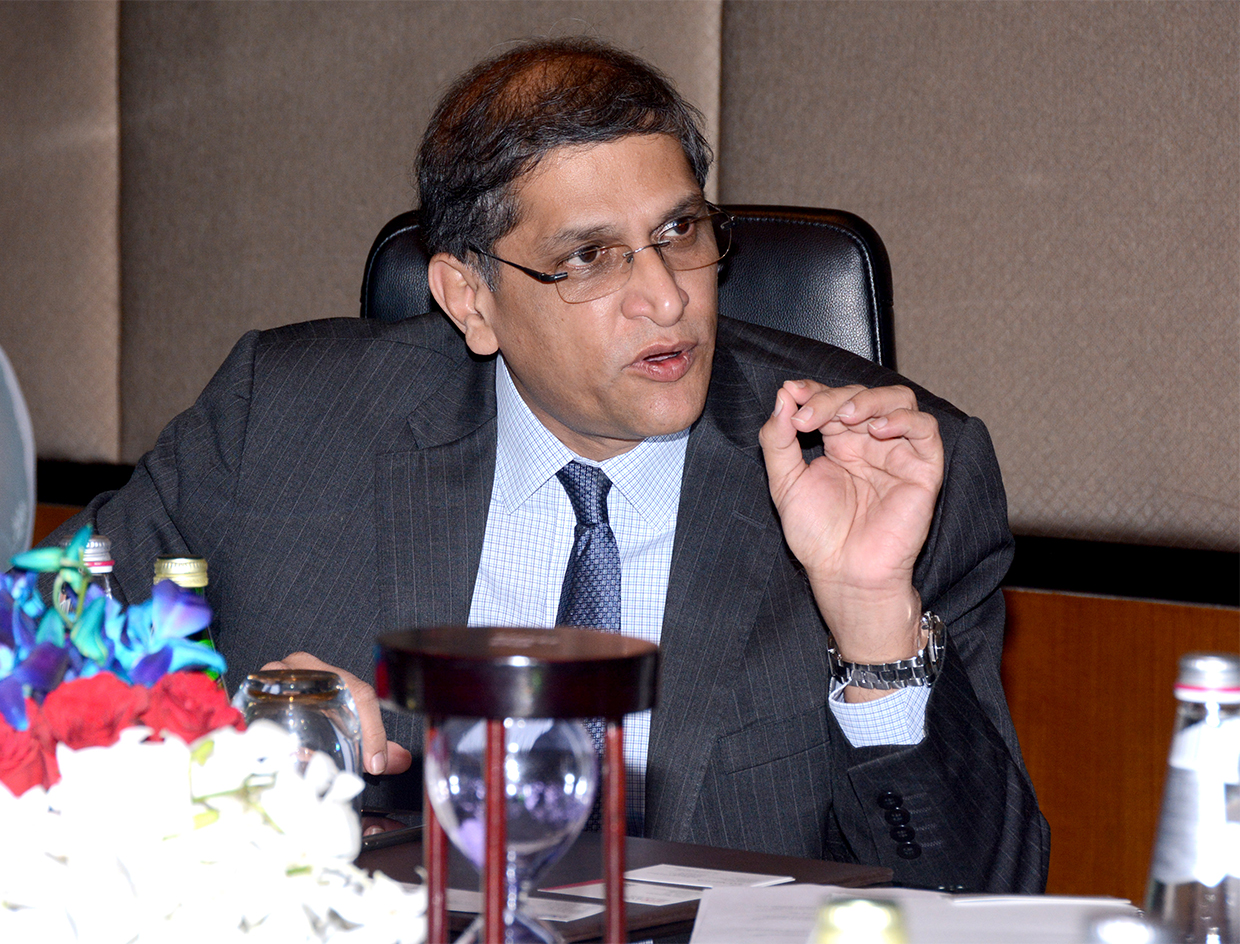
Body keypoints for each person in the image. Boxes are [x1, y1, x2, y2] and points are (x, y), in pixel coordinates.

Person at [41, 38, 1048, 891]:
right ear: (469, 299)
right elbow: (31, 666)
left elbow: (985, 895)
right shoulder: (281, 423)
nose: (665, 297)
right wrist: (219, 731)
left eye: (678, 232)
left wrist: (871, 623)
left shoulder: (881, 474)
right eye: (589, 257)